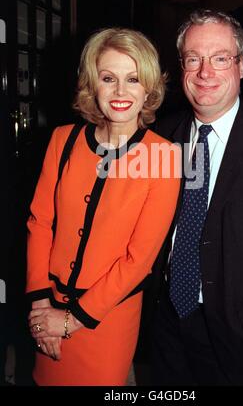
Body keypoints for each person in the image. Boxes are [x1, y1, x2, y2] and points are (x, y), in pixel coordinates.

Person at [149, 9, 243, 385]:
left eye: (220, 58)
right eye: (193, 59)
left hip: (237, 333)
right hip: (165, 319)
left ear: (242, 65)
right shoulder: (161, 138)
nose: (205, 72)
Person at [26, 28, 180, 386]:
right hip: (46, 306)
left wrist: (71, 320)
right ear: (93, 83)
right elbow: (40, 222)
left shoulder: (165, 157)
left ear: (149, 90)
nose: (121, 92)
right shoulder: (62, 139)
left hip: (107, 321)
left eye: (133, 79)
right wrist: (41, 309)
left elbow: (139, 260)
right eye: (108, 78)